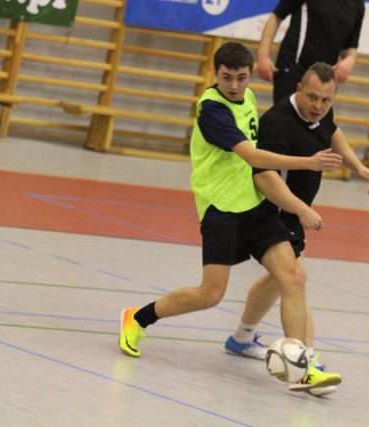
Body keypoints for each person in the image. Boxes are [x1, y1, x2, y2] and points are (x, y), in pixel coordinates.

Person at [118, 42, 343, 391]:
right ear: (215, 74)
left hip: (255, 207)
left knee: (294, 275)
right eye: (227, 78)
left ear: (249, 76)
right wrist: (309, 164)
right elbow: (253, 156)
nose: (235, 85)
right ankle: (138, 317)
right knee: (210, 295)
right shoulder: (212, 110)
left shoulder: (248, 99)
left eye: (241, 78)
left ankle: (305, 364)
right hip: (220, 210)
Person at [224, 62, 369, 397]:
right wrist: (301, 209)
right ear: (298, 89)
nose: (318, 106)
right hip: (268, 212)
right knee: (295, 277)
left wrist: (358, 165)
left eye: (326, 100)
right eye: (312, 97)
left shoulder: (321, 114)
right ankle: (305, 366)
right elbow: (263, 176)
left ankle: (241, 338)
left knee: (283, 280)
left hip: (291, 215)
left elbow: (332, 131)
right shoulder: (278, 123)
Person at [257, 0, 365, 103]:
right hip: (293, 69)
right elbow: (276, 17)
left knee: (313, 122)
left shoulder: (357, 4)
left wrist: (350, 59)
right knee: (288, 120)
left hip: (323, 80)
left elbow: (351, 45)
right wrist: (263, 55)